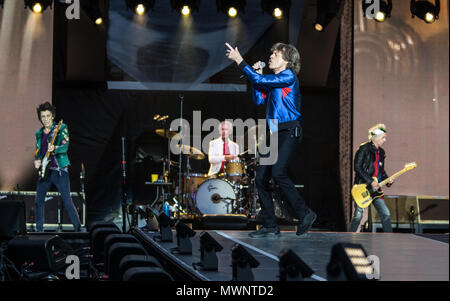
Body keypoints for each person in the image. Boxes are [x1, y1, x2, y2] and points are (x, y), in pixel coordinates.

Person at [225, 42, 316, 238]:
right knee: (260, 178)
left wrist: (240, 61)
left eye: (276, 54)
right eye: (272, 52)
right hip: (275, 132)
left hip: (289, 130)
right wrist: (257, 79)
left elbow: (259, 79)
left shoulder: (288, 76)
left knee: (278, 172)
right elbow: (259, 99)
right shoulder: (275, 80)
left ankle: (305, 213)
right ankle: (271, 225)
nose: (271, 56)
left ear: (287, 60)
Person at [34, 102, 81, 232]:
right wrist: (37, 160)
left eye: (48, 116)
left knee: (67, 200)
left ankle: (78, 230)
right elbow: (38, 150)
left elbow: (65, 145)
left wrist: (55, 148)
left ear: (53, 116)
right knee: (38, 201)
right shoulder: (39, 133)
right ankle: (39, 231)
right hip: (45, 171)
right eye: (42, 116)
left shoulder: (61, 128)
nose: (45, 119)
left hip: (59, 170)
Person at [349, 124, 394, 232]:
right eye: (383, 137)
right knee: (358, 216)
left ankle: (390, 238)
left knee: (386, 214)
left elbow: (381, 172)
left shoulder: (381, 152)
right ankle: (349, 236)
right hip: (363, 187)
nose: (385, 140)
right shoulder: (364, 149)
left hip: (376, 189)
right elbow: (357, 167)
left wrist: (388, 181)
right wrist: (370, 181)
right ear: (376, 137)